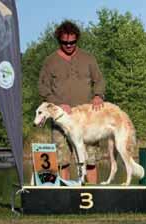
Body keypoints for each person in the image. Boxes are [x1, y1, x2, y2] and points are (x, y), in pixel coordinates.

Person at [39, 21, 105, 184]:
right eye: (64, 43)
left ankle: (93, 196)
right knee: (63, 161)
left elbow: (100, 80)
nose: (69, 45)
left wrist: (98, 95)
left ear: (77, 40)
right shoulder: (50, 61)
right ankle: (65, 196)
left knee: (90, 161)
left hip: (87, 120)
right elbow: (42, 87)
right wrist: (57, 104)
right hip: (60, 119)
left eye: (72, 42)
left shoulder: (88, 58)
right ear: (59, 41)